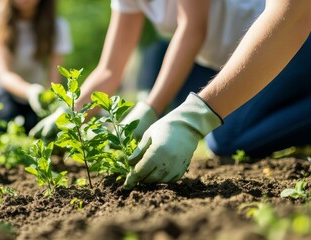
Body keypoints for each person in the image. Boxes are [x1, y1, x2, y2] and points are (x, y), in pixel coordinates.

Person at [123, 0, 311, 189]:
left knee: (228, 138)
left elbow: (294, 12)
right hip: (275, 40)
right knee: (224, 136)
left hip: (293, 38)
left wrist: (193, 118)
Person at [0, 0, 73, 132]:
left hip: (34, 104)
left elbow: (54, 80)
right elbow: (3, 74)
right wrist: (30, 91)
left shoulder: (58, 27)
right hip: (1, 94)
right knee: (2, 120)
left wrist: (46, 99)